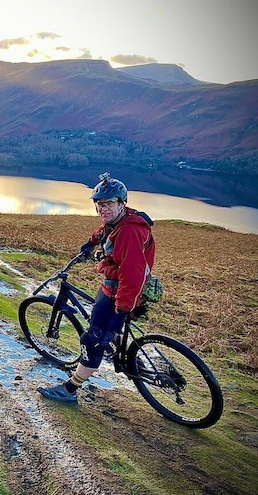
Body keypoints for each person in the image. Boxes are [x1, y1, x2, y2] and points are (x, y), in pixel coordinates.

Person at [38, 172, 155, 403]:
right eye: (100, 205)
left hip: (122, 292)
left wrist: (121, 313)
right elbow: (103, 231)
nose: (104, 209)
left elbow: (131, 277)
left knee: (92, 339)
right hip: (111, 288)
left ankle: (70, 389)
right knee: (101, 324)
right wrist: (90, 244)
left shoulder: (129, 231)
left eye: (109, 203)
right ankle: (133, 360)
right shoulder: (118, 222)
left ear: (122, 203)